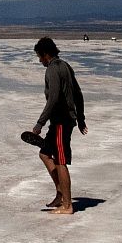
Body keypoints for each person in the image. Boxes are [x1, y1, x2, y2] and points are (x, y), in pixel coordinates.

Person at [29, 37, 88, 215]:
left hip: (62, 121)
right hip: (61, 120)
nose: (39, 60)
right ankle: (61, 193)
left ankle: (68, 205)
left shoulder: (53, 70)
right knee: (45, 154)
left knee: (61, 161)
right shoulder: (66, 66)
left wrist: (40, 123)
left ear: (46, 54)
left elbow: (53, 99)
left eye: (40, 56)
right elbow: (78, 93)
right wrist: (81, 118)